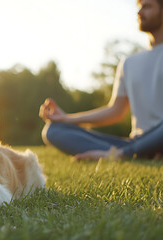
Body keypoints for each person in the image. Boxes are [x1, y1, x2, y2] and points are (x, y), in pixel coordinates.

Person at [40, 0, 163, 160]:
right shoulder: (128, 63)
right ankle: (137, 153)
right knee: (54, 130)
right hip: (137, 141)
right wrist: (67, 119)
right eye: (139, 7)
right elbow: (115, 111)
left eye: (147, 6)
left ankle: (122, 154)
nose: (139, 12)